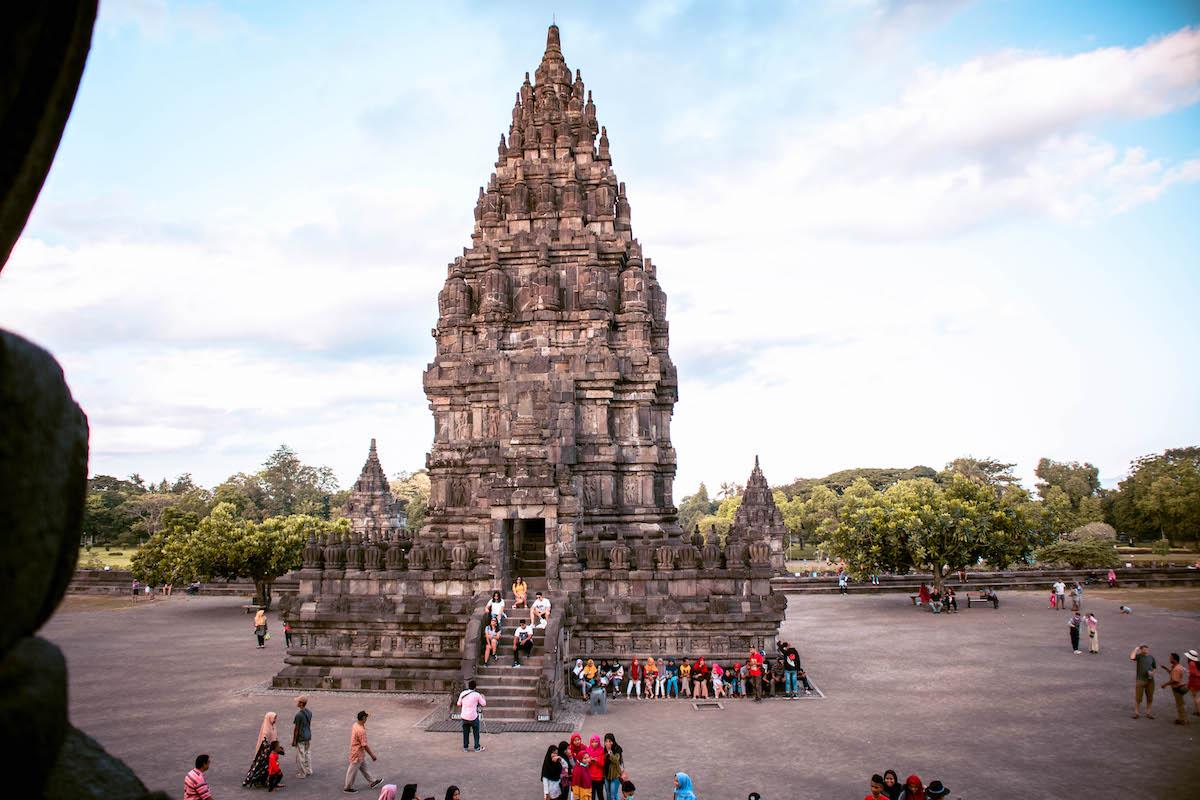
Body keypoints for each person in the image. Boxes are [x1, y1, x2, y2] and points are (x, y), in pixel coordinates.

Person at [344, 710, 381, 793]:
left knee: (364, 767)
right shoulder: (361, 730)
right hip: (357, 753)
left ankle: (372, 782)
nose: (367, 719)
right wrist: (372, 755)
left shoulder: (355, 725)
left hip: (357, 751)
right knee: (352, 770)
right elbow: (364, 745)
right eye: (366, 717)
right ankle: (347, 787)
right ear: (363, 718)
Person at [244, 711, 278, 787]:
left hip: (272, 750)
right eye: (274, 718)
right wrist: (268, 750)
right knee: (263, 766)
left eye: (275, 718)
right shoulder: (266, 729)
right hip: (266, 751)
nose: (275, 720)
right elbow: (264, 741)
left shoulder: (273, 726)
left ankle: (269, 781)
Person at [456, 678, 486, 752]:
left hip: (464, 716)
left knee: (465, 733)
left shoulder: (463, 693)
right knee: (476, 732)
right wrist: (483, 697)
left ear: (468, 686)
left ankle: (465, 747)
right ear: (475, 687)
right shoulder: (477, 695)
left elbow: (458, 704)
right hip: (473, 717)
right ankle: (476, 747)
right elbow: (483, 704)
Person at [1162, 652, 1189, 725]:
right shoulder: (1177, 666)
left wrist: (1165, 684)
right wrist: (1166, 669)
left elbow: (1175, 680)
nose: (1169, 659)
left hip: (1178, 688)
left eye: (1171, 658)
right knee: (1180, 704)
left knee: (1180, 704)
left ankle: (1183, 720)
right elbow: (1172, 674)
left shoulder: (1176, 669)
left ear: (1175, 660)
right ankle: (1182, 718)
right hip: (1182, 687)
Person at [1131, 644, 1157, 719]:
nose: (1146, 650)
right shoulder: (1139, 656)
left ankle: (1148, 713)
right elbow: (1132, 657)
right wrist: (1136, 649)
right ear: (1141, 650)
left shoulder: (1151, 657)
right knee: (1138, 698)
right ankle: (1136, 713)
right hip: (1140, 680)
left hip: (1150, 680)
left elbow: (1154, 667)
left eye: (1147, 649)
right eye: (1144, 649)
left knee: (1150, 697)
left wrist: (1152, 673)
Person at [292, 695, 313, 778]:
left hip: (301, 737)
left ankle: (302, 773)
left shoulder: (298, 715)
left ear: (301, 703)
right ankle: (309, 770)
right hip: (308, 735)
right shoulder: (309, 712)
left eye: (298, 702)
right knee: (307, 753)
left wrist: (294, 740)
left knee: (301, 755)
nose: (297, 703)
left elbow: (296, 729)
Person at [603, 733, 623, 800]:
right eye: (606, 741)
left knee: (613, 795)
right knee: (608, 795)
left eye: (610, 741)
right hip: (606, 775)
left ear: (613, 741)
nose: (608, 743)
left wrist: (609, 751)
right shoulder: (604, 749)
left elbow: (616, 760)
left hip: (614, 776)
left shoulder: (617, 749)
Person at [586, 735, 606, 800]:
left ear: (599, 742)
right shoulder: (588, 750)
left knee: (600, 795)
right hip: (590, 777)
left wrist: (596, 761)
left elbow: (603, 764)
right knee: (592, 796)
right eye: (592, 742)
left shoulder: (602, 751)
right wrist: (589, 762)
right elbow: (585, 765)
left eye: (596, 742)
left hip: (599, 778)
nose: (594, 743)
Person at [1187, 649, 1200, 717]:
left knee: (1195, 696)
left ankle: (1198, 711)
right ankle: (1197, 710)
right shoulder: (1197, 662)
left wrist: (1188, 672)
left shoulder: (1191, 663)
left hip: (1195, 681)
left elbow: (1193, 673)